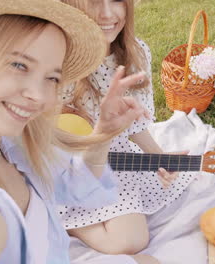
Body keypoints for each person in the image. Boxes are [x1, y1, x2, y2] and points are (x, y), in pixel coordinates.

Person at [0, 0, 158, 263]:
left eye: (51, 78)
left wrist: (103, 134)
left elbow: (75, 184)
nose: (39, 96)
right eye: (18, 65)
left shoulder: (9, 139)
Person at [58, 0, 195, 255]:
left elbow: (136, 121)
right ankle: (69, 220)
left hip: (110, 157)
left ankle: (72, 214)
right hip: (58, 164)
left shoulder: (136, 53)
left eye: (117, 1)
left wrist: (157, 156)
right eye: (95, 2)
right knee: (127, 242)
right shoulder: (56, 57)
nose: (108, 13)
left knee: (131, 240)